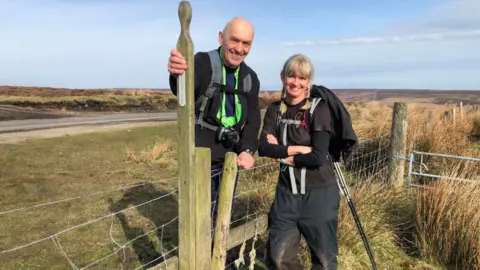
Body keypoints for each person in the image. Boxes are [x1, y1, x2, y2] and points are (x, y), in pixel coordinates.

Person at [167, 17, 261, 232]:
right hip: (200, 160)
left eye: (246, 43)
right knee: (200, 220)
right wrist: (176, 73)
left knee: (223, 217)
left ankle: (219, 260)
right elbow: (183, 88)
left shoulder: (250, 78)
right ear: (221, 37)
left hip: (230, 161)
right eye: (234, 40)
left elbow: (253, 119)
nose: (239, 49)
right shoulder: (200, 63)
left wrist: (247, 150)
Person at [258, 54, 340, 270]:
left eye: (302, 78)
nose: (296, 82)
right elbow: (264, 147)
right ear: (282, 77)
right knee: (278, 258)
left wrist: (281, 153)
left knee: (323, 261)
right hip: (286, 195)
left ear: (308, 82)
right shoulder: (275, 110)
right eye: (291, 76)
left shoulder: (318, 110)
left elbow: (317, 157)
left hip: (319, 195)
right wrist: (296, 150)